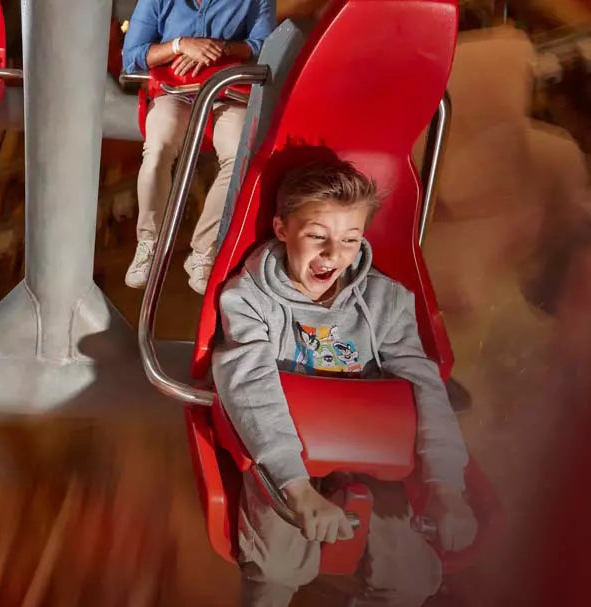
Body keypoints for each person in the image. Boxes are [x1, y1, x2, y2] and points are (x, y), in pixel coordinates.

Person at [211, 157, 479, 606]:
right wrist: (297, 489)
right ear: (282, 229)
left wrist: (446, 487)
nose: (333, 254)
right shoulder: (249, 299)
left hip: (365, 449)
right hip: (285, 446)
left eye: (350, 240)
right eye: (317, 236)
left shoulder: (385, 302)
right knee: (277, 564)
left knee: (411, 573)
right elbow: (250, 385)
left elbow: (424, 388)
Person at [121, 0, 275, 294]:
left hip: (228, 91)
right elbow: (133, 56)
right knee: (157, 150)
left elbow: (265, 46)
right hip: (175, 91)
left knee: (239, 156)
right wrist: (180, 45)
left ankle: (204, 250)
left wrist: (220, 49)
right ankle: (149, 243)